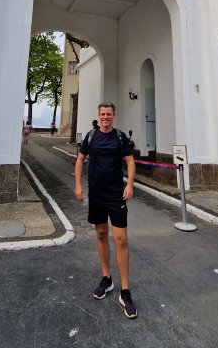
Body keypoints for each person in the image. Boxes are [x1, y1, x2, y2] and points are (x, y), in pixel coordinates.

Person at [75, 102, 137, 319]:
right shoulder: (91, 137)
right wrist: (78, 185)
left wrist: (129, 184)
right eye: (102, 114)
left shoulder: (120, 137)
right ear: (98, 115)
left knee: (121, 239)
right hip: (97, 195)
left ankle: (125, 290)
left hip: (116, 194)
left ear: (114, 115)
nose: (105, 117)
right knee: (101, 234)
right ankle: (106, 278)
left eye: (109, 114)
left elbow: (130, 161)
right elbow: (80, 159)